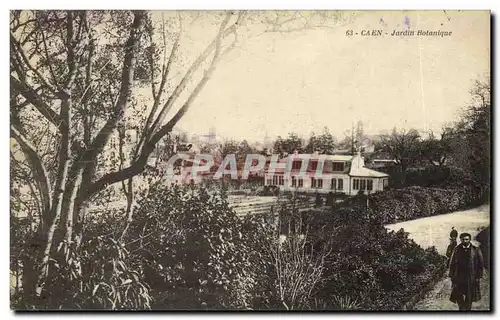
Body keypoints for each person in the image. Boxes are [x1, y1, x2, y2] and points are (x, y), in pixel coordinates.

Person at [449, 232, 485, 311]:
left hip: (471, 277)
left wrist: (478, 276)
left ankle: (468, 310)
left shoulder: (475, 249)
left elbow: (480, 264)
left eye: (467, 239)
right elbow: (452, 263)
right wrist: (451, 276)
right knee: (458, 295)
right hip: (459, 276)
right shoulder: (456, 249)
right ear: (460, 240)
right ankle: (461, 309)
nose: (465, 241)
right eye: (463, 239)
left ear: (469, 240)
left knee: (470, 295)